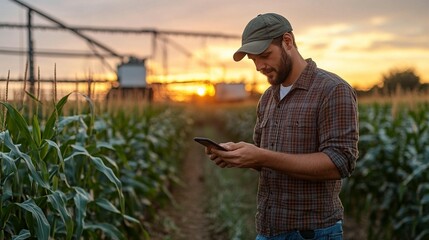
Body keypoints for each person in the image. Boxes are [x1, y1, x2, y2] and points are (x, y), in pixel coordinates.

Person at [206, 13, 359, 240]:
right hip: (268, 230)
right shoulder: (268, 97)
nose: (259, 66)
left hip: (312, 233)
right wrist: (239, 155)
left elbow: (340, 163)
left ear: (287, 42)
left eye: (265, 55)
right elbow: (268, 159)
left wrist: (261, 157)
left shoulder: (332, 90)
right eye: (253, 59)